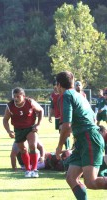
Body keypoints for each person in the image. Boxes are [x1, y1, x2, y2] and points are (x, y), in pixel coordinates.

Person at [55, 71, 107, 200]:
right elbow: (90, 120)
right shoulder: (79, 96)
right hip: (84, 139)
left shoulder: (66, 95)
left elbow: (66, 126)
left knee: (91, 181)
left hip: (89, 139)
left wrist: (59, 146)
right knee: (71, 178)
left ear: (58, 84)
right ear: (73, 82)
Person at [3, 87, 44, 178]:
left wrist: (38, 124)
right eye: (14, 96)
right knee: (23, 150)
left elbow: (41, 110)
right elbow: (5, 120)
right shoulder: (10, 106)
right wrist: (9, 131)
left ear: (23, 96)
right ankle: (28, 170)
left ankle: (34, 169)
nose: (16, 99)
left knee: (32, 146)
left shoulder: (30, 102)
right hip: (18, 129)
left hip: (30, 128)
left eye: (18, 96)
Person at [49, 81, 70, 149]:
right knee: (61, 133)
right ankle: (66, 147)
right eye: (54, 85)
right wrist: (50, 116)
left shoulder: (64, 94)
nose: (55, 86)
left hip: (64, 116)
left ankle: (67, 148)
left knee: (64, 132)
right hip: (57, 117)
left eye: (57, 85)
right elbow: (52, 106)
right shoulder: (52, 95)